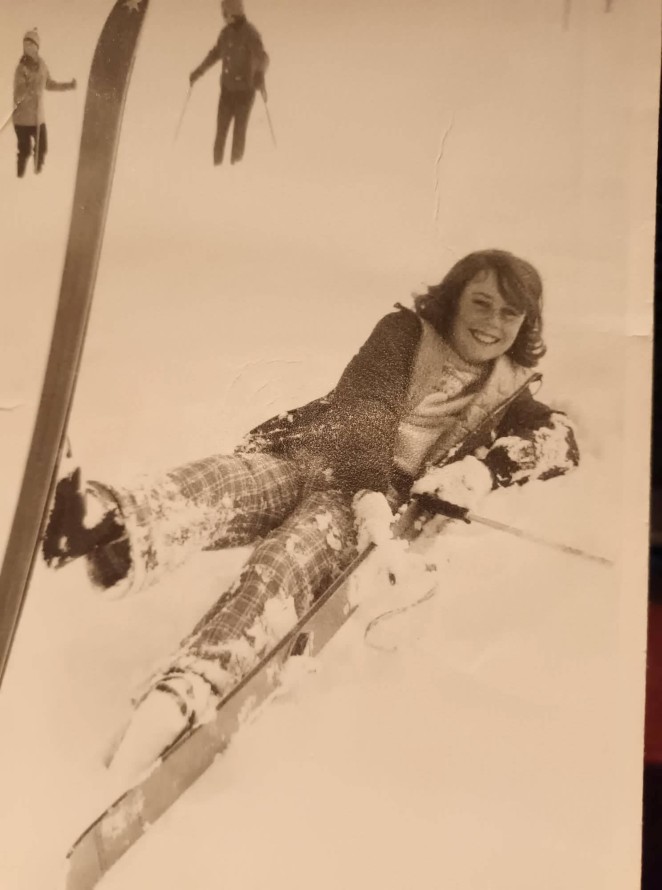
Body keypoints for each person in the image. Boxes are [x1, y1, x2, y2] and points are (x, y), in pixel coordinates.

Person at [43, 249, 580, 775]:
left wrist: (487, 471)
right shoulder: (406, 334)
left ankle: (192, 686)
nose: (492, 323)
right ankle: (106, 520)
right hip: (316, 455)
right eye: (481, 303)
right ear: (455, 298)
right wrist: (369, 492)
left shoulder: (511, 390)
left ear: (525, 323)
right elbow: (365, 407)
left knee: (286, 560)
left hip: (361, 502)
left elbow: (561, 442)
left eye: (510, 313)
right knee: (227, 481)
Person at [189, 0, 269, 166]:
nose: (223, 17)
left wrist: (260, 74)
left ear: (233, 13)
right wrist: (199, 71)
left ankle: (235, 169)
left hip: (244, 93)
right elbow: (215, 53)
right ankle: (216, 167)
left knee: (238, 134)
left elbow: (263, 58)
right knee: (220, 133)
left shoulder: (250, 34)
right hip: (227, 91)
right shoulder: (225, 33)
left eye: (224, 13)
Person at [12, 28, 77, 178]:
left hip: (38, 118)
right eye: (25, 44)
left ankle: (38, 176)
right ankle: (18, 178)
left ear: (36, 46)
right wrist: (30, 89)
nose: (27, 47)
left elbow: (49, 84)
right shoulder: (21, 68)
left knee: (42, 149)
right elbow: (19, 93)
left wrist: (68, 85)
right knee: (25, 150)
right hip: (22, 119)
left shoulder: (42, 65)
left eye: (30, 43)